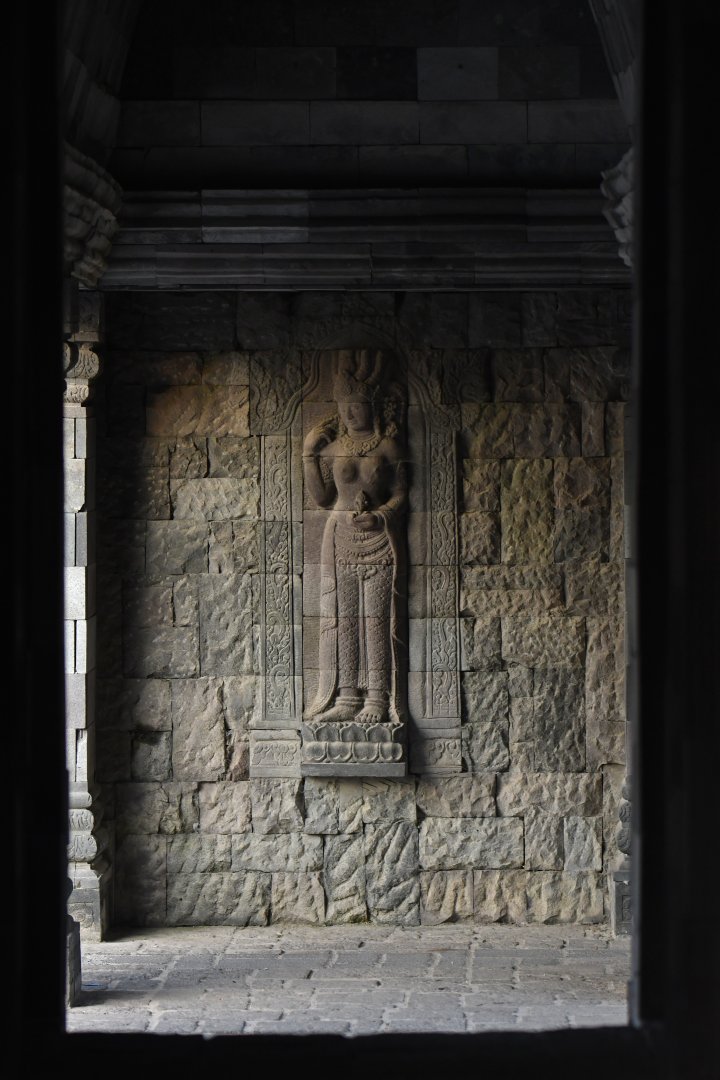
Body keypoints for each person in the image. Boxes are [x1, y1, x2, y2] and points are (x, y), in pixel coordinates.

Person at [303, 350, 407, 727]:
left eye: (358, 405)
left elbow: (400, 493)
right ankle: (347, 696)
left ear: (374, 407)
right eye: (345, 406)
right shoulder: (334, 448)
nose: (350, 413)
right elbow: (320, 498)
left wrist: (381, 515)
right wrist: (309, 454)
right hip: (340, 538)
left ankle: (377, 696)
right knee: (344, 618)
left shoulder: (388, 448)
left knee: (374, 618)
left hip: (377, 541)